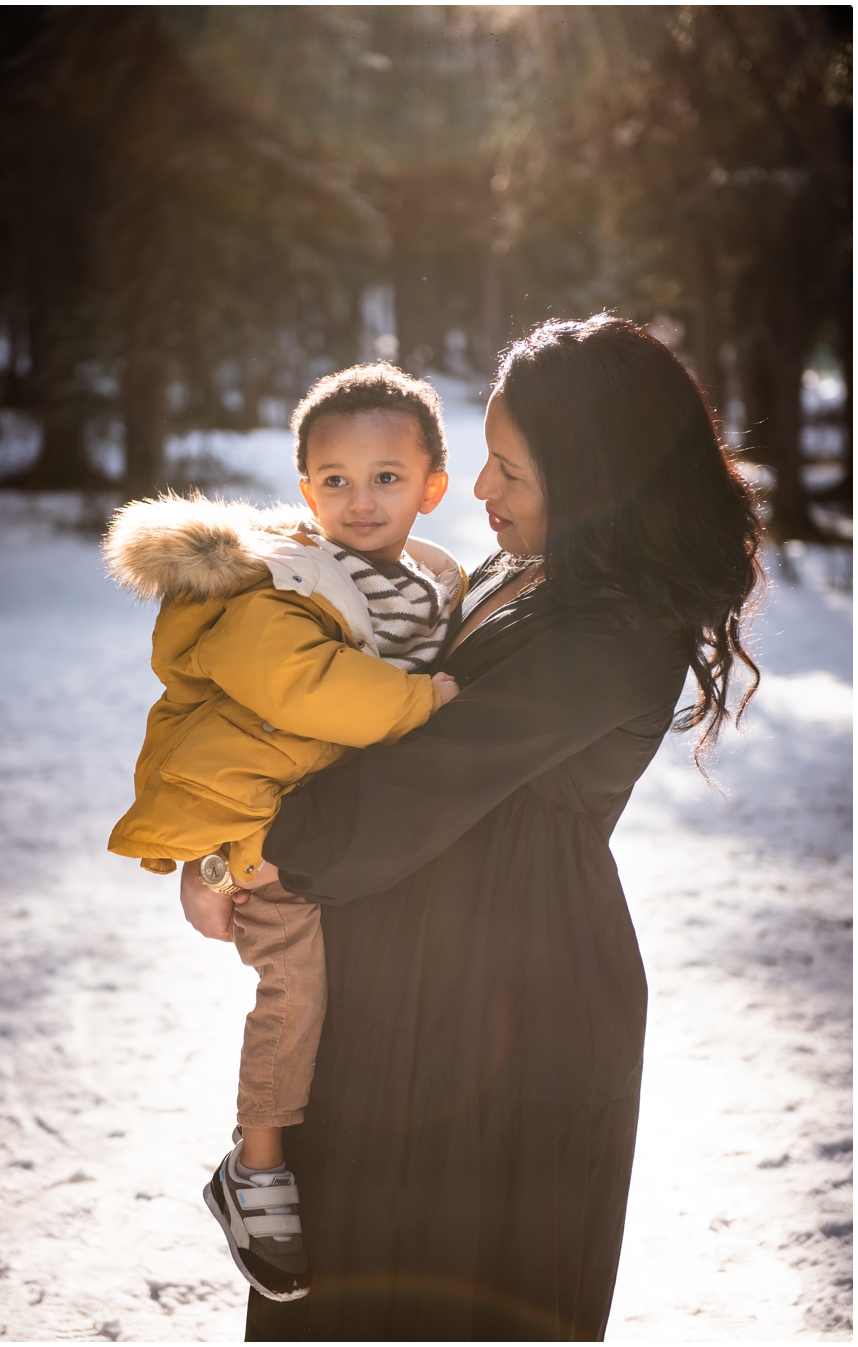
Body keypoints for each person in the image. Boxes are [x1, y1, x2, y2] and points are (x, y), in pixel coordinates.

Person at [209, 315, 763, 1341]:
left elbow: (420, 782)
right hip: (416, 965)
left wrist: (248, 847)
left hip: (515, 1011)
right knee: (346, 1286)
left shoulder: (616, 630)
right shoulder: (529, 576)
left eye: (509, 469)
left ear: (595, 478)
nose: (480, 493)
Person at [102, 365, 465, 1302]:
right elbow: (308, 690)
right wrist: (427, 701)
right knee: (293, 990)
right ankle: (255, 1164)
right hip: (256, 834)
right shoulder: (276, 583)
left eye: (388, 476)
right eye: (334, 479)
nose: (361, 499)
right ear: (305, 489)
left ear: (434, 483)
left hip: (317, 823)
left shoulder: (426, 580)